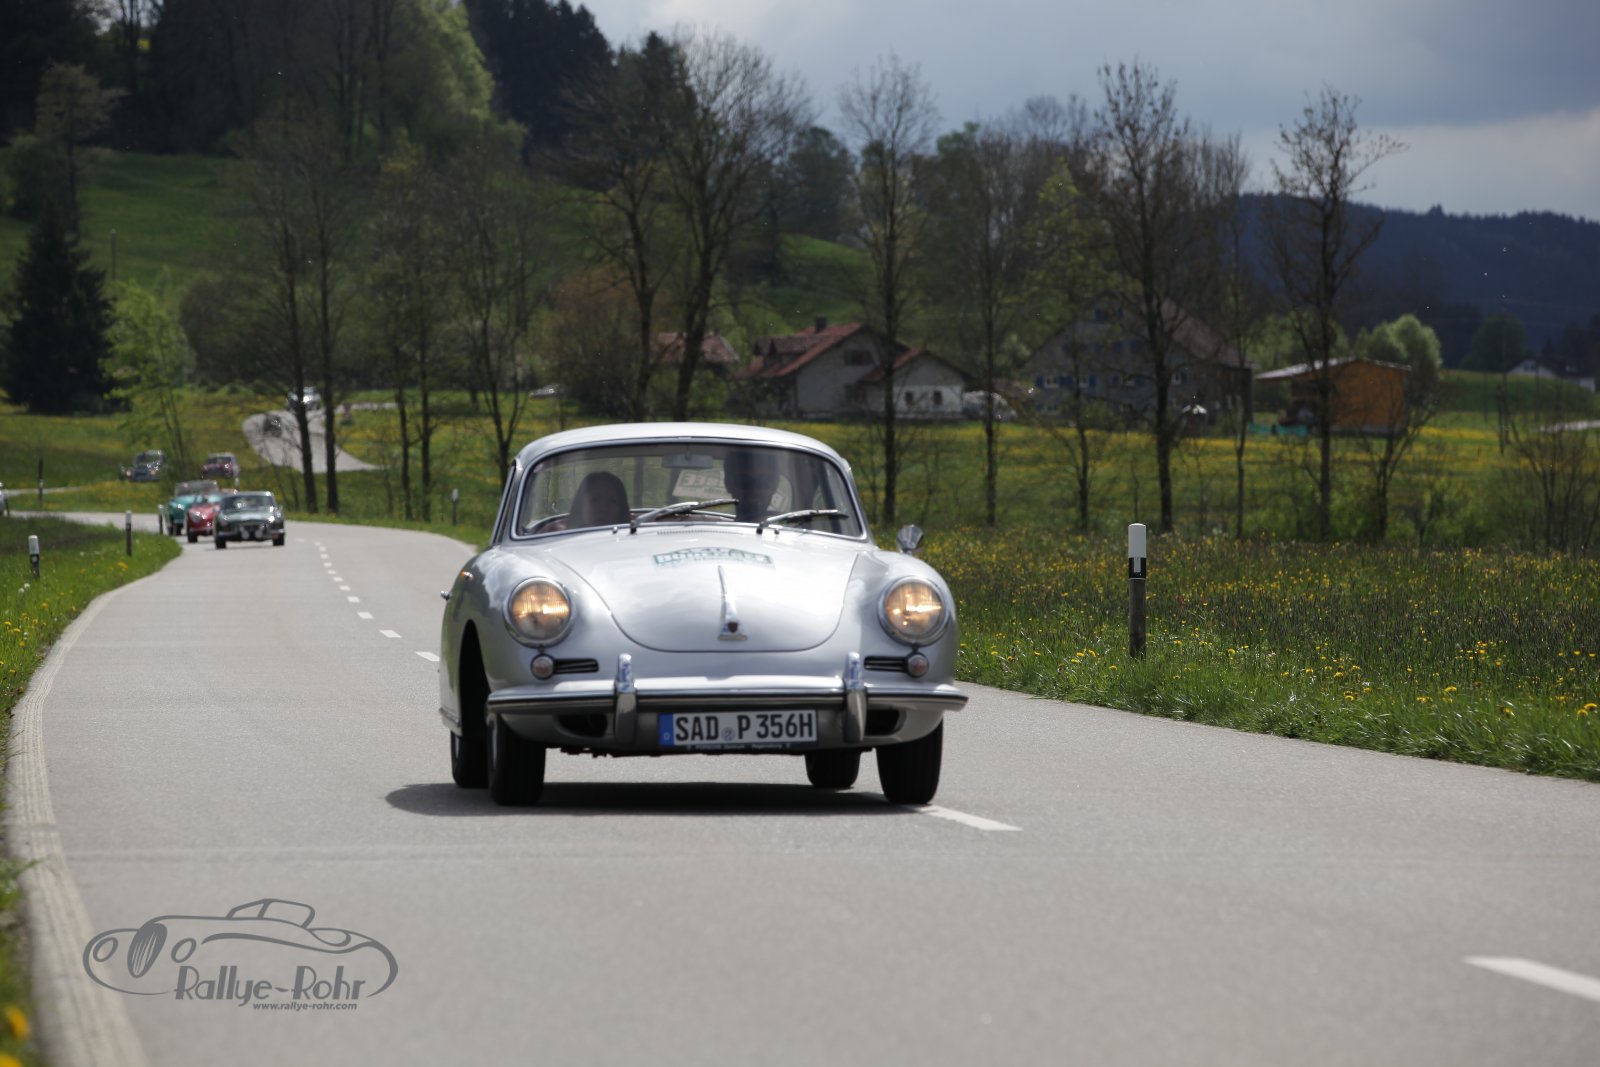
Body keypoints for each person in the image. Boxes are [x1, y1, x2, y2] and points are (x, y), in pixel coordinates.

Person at [723, 449, 779, 523]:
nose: (754, 491)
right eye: (744, 481)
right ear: (728, 483)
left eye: (762, 482)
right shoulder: (711, 528)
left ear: (775, 485)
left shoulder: (791, 528)